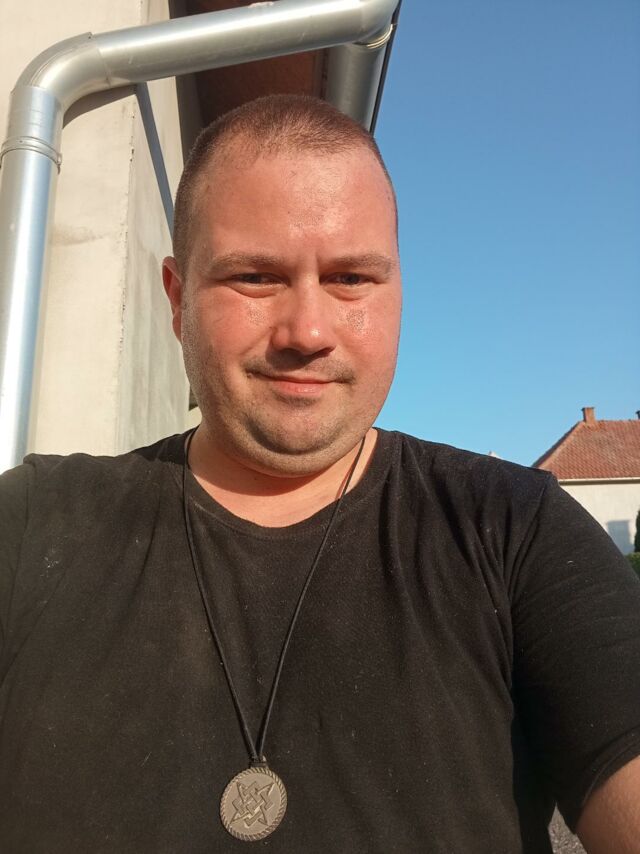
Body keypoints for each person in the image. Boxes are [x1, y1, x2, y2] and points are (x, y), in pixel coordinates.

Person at [1, 94, 639, 854]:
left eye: (351, 278)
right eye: (255, 276)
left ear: (398, 295)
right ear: (176, 300)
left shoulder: (515, 531)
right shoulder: (32, 526)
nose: (307, 332)